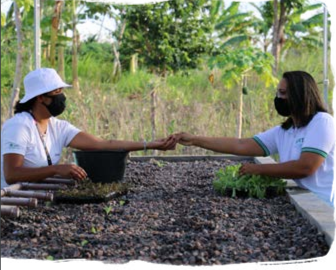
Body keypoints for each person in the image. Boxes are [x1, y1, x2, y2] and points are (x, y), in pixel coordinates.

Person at [176, 71, 335, 206]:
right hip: (304, 202)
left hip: (325, 207)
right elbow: (241, 144)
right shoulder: (285, 130)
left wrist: (259, 169)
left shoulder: (321, 122)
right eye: (278, 92)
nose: (279, 98)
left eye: (284, 93)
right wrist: (194, 140)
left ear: (301, 95)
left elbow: (305, 167)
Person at [1, 68, 177, 187]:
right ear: (40, 98)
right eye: (57, 93)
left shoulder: (57, 127)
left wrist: (151, 145)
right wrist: (56, 169)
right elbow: (12, 175)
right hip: (12, 199)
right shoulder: (19, 127)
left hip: (36, 195)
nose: (62, 98)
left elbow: (103, 144)